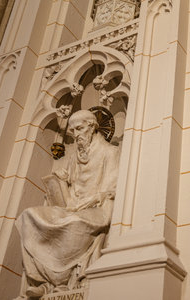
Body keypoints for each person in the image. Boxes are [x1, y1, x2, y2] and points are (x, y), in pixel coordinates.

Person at [15, 110, 119, 298]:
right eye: (73, 131)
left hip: (95, 210)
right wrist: (61, 180)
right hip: (72, 207)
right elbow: (70, 181)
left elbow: (111, 188)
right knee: (28, 216)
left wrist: (93, 199)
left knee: (72, 224)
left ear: (92, 126)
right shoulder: (74, 155)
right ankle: (42, 280)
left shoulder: (110, 152)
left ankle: (59, 283)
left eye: (80, 129)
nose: (76, 135)